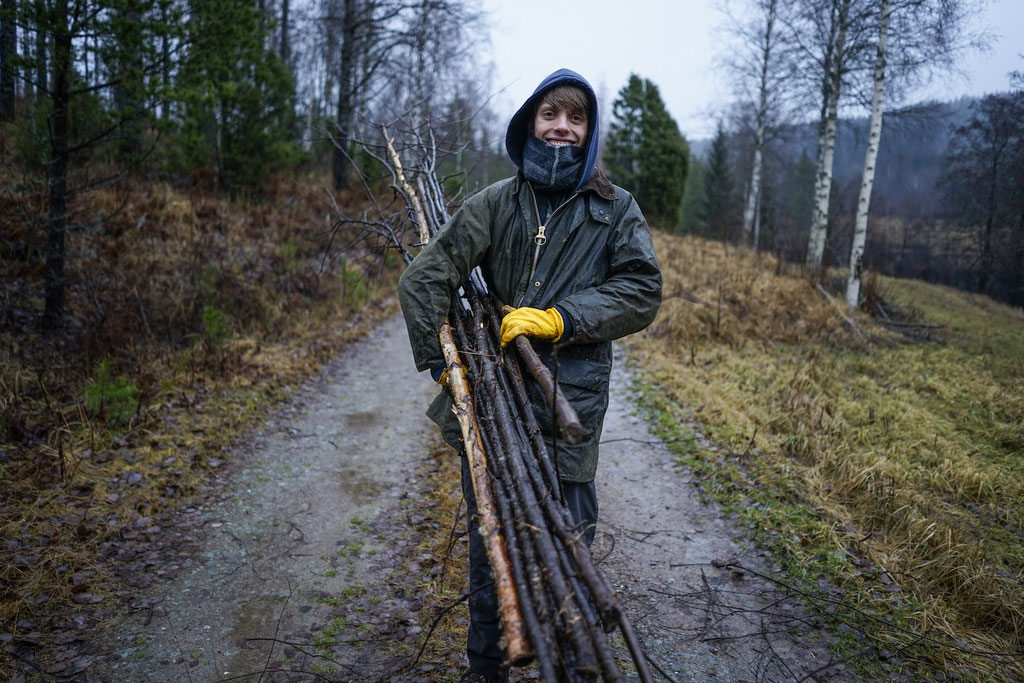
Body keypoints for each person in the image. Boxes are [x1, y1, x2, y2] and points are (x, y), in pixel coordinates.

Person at [397, 68, 662, 683]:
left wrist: (561, 319)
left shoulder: (614, 209)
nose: (562, 127)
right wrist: (443, 367)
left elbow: (642, 290)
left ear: (589, 132)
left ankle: (571, 663)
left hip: (571, 409)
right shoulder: (499, 202)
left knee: (570, 548)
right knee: (491, 548)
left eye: (576, 117)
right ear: (530, 124)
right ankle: (485, 669)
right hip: (494, 410)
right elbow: (424, 279)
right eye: (550, 114)